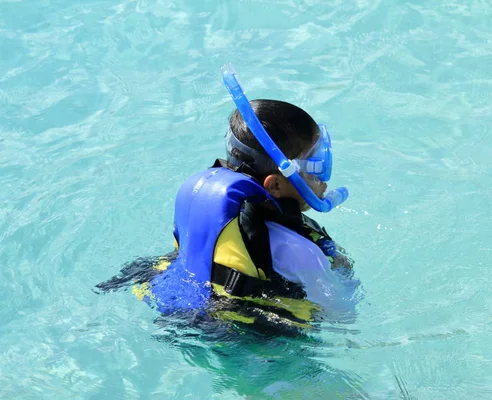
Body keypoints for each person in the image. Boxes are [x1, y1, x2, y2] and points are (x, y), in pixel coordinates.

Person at [97, 66, 359, 335]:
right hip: (247, 342)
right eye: (315, 169)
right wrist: (341, 268)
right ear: (276, 185)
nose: (324, 181)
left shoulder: (206, 200)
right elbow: (341, 314)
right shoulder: (299, 251)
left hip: (176, 307)